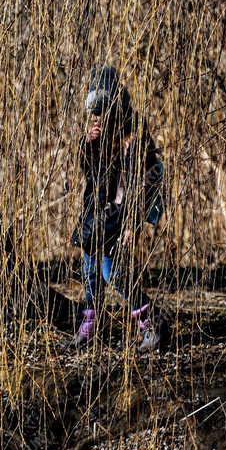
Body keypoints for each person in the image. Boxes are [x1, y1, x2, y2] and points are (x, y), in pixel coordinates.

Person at [72, 66, 166, 352]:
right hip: (101, 212)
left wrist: (132, 226)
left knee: (112, 271)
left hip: (121, 213)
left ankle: (152, 323)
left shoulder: (133, 135)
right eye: (96, 112)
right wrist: (88, 145)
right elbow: (93, 175)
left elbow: (141, 184)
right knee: (91, 265)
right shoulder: (104, 133)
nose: (98, 117)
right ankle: (90, 323)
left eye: (103, 110)